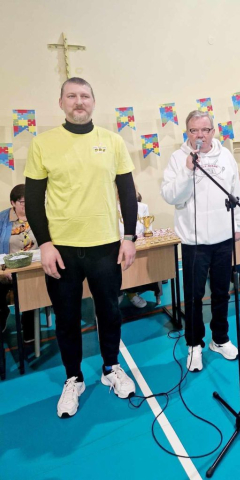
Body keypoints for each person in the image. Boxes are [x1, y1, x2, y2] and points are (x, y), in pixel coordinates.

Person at [24, 77, 137, 418]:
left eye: (85, 96)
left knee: (110, 311)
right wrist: (45, 244)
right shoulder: (43, 143)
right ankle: (73, 378)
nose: (79, 101)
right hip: (63, 250)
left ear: (93, 102)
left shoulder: (112, 141)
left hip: (105, 246)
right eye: (71, 96)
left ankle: (111, 368)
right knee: (67, 317)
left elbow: (127, 192)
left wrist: (129, 237)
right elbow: (33, 200)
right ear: (61, 103)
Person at [161, 110, 240, 373]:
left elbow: (236, 192)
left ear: (213, 131)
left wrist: (239, 224)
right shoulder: (178, 158)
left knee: (221, 291)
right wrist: (188, 170)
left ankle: (219, 339)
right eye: (194, 130)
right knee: (194, 295)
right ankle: (194, 344)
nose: (200, 135)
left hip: (223, 238)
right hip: (193, 241)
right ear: (187, 133)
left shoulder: (226, 156)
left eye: (205, 130)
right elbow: (170, 196)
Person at [0, 184, 35, 343]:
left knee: (32, 286)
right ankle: (3, 313)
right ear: (13, 203)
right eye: (22, 202)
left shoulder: (37, 216)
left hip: (32, 268)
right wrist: (3, 269)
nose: (26, 206)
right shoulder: (3, 219)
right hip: (7, 269)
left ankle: (29, 324)